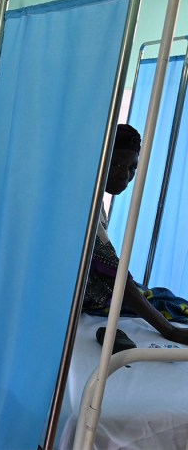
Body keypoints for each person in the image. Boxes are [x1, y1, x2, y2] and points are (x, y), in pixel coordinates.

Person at [84, 123, 188, 345]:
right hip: (89, 298)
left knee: (163, 297)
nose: (125, 174)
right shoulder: (84, 202)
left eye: (132, 167)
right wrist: (168, 330)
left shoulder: (94, 196)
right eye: (117, 163)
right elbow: (115, 274)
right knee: (169, 305)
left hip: (100, 290)